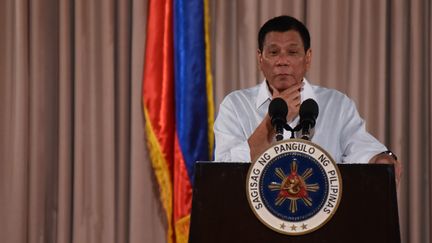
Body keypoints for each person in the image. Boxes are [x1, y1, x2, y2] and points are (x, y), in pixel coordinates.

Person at [213, 15, 402, 184]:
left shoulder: (336, 104)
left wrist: (382, 160)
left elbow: (363, 150)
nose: (282, 60)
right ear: (260, 58)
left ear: (308, 58)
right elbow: (222, 171)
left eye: (292, 52)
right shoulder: (236, 105)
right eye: (273, 52)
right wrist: (270, 124)